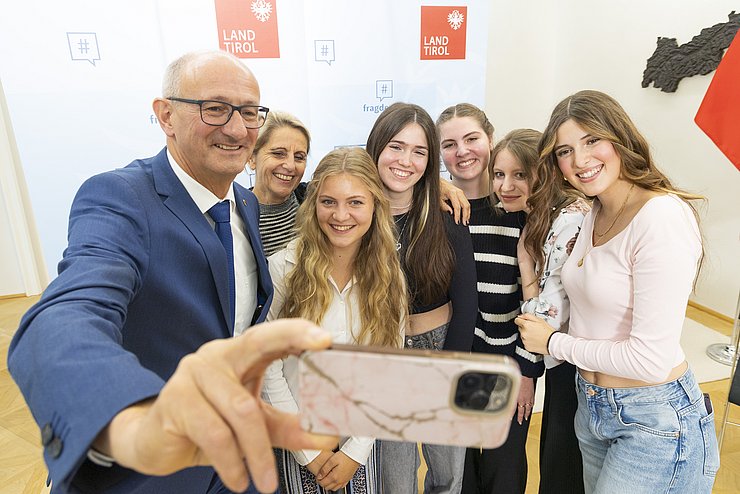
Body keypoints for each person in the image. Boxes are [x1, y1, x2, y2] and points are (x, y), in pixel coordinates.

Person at [7, 50, 336, 494]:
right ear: (166, 116)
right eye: (215, 109)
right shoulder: (121, 197)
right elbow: (64, 318)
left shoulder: (247, 203)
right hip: (152, 471)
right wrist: (129, 424)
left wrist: (437, 178)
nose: (237, 129)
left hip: (238, 459)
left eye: (249, 113)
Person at [516, 90, 719, 493]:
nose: (580, 161)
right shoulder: (593, 212)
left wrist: (555, 343)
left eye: (592, 141)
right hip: (593, 408)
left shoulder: (660, 216)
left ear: (619, 137)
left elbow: (649, 360)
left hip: (652, 420)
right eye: (565, 151)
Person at [262, 146, 407, 493]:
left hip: (362, 442)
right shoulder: (284, 267)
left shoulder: (390, 275)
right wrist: (308, 451)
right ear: (313, 205)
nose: (341, 215)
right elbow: (269, 367)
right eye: (328, 201)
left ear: (375, 204)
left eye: (355, 202)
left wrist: (355, 453)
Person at [366, 102, 478, 494]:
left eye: (419, 152)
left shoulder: (447, 214)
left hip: (441, 347)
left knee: (448, 477)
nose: (405, 161)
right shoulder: (356, 216)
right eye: (396, 147)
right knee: (394, 479)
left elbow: (467, 305)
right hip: (384, 353)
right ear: (377, 148)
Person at [437, 104, 541, 494]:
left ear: (490, 140)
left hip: (507, 363)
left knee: (504, 469)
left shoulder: (518, 210)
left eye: (471, 139)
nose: (462, 151)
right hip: (456, 362)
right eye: (449, 144)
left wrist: (527, 371)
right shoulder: (437, 211)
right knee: (460, 471)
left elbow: (539, 301)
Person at [513, 128, 590, 494]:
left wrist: (526, 267)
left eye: (521, 175)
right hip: (570, 360)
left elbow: (543, 321)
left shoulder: (569, 220)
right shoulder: (552, 214)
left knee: (562, 469)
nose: (507, 186)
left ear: (543, 174)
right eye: (500, 174)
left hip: (575, 362)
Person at [248, 111, 311, 256]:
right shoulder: (233, 218)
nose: (290, 165)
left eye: (299, 157)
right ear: (252, 158)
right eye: (278, 153)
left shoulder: (316, 205)